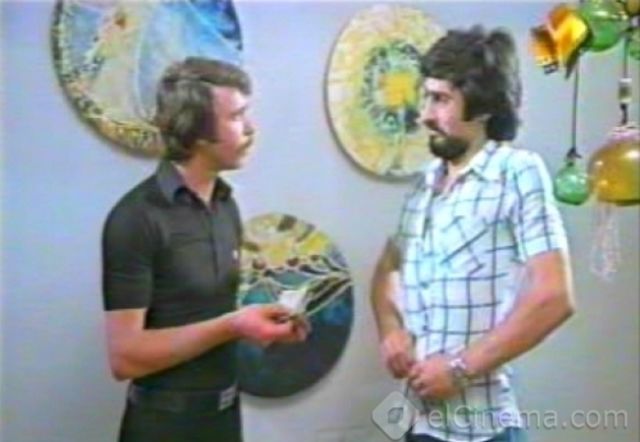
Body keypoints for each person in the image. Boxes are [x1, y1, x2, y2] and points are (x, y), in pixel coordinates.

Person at [371, 26, 575, 442]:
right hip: (418, 425)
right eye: (427, 97)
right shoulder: (424, 185)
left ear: (482, 108)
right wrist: (391, 329)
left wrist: (460, 369)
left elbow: (555, 297)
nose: (425, 115)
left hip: (484, 429)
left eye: (441, 99)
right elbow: (387, 271)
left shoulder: (516, 172)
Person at [102, 57, 307, 442]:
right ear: (197, 132)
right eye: (237, 116)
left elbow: (210, 313)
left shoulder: (226, 205)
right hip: (162, 428)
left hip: (224, 421)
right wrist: (234, 325)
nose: (251, 128)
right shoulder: (136, 218)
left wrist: (263, 323)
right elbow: (125, 357)